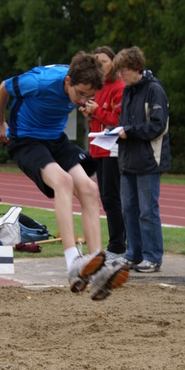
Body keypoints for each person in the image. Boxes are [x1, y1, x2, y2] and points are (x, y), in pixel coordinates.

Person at [0, 51, 129, 300]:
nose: (83, 101)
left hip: (55, 140)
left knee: (89, 189)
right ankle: (72, 263)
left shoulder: (82, 84)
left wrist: (87, 105)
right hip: (26, 139)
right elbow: (4, 87)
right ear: (68, 82)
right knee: (63, 181)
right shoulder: (40, 80)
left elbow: (82, 98)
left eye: (90, 97)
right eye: (80, 95)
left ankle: (97, 270)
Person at [113, 46, 170, 273]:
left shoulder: (154, 90)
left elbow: (158, 125)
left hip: (148, 161)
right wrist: (112, 132)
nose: (120, 75)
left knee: (148, 210)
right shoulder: (128, 91)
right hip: (127, 161)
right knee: (129, 209)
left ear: (136, 68)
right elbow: (125, 123)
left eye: (123, 70)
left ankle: (153, 257)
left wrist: (130, 132)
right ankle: (133, 254)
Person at [79, 46, 126, 261]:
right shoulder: (96, 87)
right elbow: (97, 120)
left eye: (104, 61)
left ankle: (118, 245)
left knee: (111, 197)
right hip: (97, 147)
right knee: (104, 197)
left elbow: (118, 121)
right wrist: (89, 114)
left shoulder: (118, 87)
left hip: (113, 149)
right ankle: (117, 242)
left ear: (114, 62)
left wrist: (96, 110)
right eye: (96, 61)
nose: (100, 65)